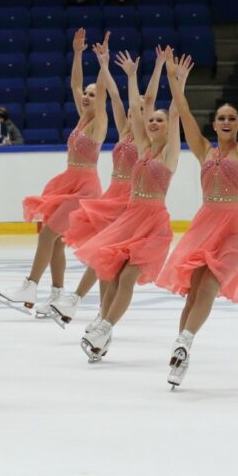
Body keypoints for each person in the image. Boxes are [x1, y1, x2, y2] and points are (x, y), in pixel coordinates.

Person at [157, 38, 238, 388]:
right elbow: (184, 112)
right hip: (206, 226)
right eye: (222, 118)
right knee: (193, 289)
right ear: (215, 125)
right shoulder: (203, 149)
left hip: (234, 230)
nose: (228, 121)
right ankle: (180, 349)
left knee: (210, 286)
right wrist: (174, 79)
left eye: (232, 118)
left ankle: (186, 341)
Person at [75, 47, 183, 363]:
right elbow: (136, 112)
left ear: (166, 126)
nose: (152, 123)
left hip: (152, 224)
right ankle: (103, 327)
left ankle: (105, 326)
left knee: (126, 277)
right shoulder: (143, 148)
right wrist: (132, 77)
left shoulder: (169, 154)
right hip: (130, 217)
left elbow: (176, 113)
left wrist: (177, 81)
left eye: (159, 120)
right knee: (108, 271)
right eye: (151, 120)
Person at [0, 29, 107, 316]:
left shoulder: (99, 123)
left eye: (94, 94)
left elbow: (99, 91)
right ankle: (56, 295)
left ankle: (30, 285)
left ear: (103, 99)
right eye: (86, 93)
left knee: (47, 235)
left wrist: (104, 65)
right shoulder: (83, 119)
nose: (86, 96)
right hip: (70, 180)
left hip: (84, 187)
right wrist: (78, 53)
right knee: (55, 239)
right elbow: (74, 83)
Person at [53, 46, 165, 327]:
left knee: (104, 251)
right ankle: (101, 314)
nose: (135, 111)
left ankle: (76, 300)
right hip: (111, 196)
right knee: (105, 256)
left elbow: (148, 98)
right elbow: (114, 95)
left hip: (129, 201)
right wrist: (104, 65)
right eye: (134, 108)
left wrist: (158, 66)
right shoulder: (123, 129)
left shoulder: (146, 139)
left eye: (141, 109)